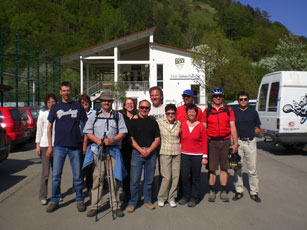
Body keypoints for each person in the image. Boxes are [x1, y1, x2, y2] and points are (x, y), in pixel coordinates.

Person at [83, 90, 128, 218]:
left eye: (109, 100)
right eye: (104, 100)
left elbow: (123, 132)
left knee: (114, 179)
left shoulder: (117, 116)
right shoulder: (94, 115)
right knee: (98, 178)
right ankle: (95, 205)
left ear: (112, 102)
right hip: (98, 151)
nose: (106, 102)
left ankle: (116, 205)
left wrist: (112, 140)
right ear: (101, 102)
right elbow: (87, 131)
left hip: (113, 151)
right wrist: (98, 140)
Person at [46, 81, 87, 213]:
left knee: (78, 176)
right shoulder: (55, 107)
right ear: (60, 92)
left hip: (75, 146)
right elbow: (49, 126)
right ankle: (54, 200)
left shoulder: (78, 106)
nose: (66, 93)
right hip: (59, 147)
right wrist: (49, 146)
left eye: (68, 90)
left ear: (71, 91)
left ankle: (80, 200)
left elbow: (86, 126)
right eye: (63, 91)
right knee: (56, 175)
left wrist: (85, 143)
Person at [202, 88, 238, 202]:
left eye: (220, 96)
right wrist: (203, 146)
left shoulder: (228, 110)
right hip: (211, 142)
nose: (218, 98)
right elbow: (203, 129)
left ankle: (223, 191)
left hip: (225, 142)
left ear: (222, 97)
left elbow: (233, 127)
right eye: (215, 96)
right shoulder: (207, 111)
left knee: (224, 168)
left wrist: (235, 143)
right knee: (212, 169)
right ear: (212, 97)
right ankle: (212, 191)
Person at [126, 100, 161, 213]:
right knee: (135, 180)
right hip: (137, 153)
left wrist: (149, 150)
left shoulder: (153, 122)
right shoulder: (133, 122)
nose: (144, 109)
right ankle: (132, 202)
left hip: (150, 153)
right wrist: (141, 150)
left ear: (149, 109)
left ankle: (147, 201)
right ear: (139, 108)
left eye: (146, 108)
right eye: (142, 107)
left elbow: (157, 139)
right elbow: (131, 139)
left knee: (148, 180)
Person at [233, 91, 262, 203]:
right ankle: (239, 191)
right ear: (238, 101)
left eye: (245, 99)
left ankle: (254, 192)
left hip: (250, 143)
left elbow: (258, 127)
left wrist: (251, 134)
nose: (243, 101)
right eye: (241, 99)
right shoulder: (234, 112)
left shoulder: (253, 113)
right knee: (237, 168)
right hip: (238, 142)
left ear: (248, 100)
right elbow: (232, 127)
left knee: (252, 169)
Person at [178, 104, 208, 207]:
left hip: (197, 155)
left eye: (193, 112)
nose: (191, 114)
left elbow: (204, 142)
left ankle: (194, 197)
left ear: (196, 113)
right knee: (185, 177)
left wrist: (205, 157)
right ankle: (185, 196)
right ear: (186, 113)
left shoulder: (200, 126)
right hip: (184, 154)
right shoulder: (182, 124)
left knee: (195, 177)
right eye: (189, 112)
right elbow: (180, 139)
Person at [157, 104, 181, 208]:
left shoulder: (179, 123)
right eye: (168, 113)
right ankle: (161, 197)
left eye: (172, 113)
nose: (170, 115)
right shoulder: (159, 122)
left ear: (175, 114)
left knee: (175, 176)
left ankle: (172, 197)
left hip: (176, 152)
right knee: (166, 177)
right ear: (165, 113)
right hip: (165, 152)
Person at [35, 93, 57, 205]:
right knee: (45, 173)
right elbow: (39, 131)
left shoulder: (59, 114)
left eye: (53, 102)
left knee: (56, 173)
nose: (51, 104)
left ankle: (56, 195)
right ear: (46, 104)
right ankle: (43, 195)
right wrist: (37, 145)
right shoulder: (43, 114)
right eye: (49, 102)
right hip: (44, 146)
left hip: (57, 146)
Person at [148, 86, 165, 201]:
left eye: (156, 95)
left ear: (161, 96)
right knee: (152, 170)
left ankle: (163, 193)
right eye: (152, 95)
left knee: (164, 170)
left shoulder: (166, 109)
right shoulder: (147, 110)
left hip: (165, 144)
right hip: (152, 144)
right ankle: (153, 193)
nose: (154, 97)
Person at [121, 98, 139, 203]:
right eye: (127, 103)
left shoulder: (138, 118)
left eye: (131, 103)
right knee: (126, 172)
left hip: (136, 148)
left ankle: (134, 194)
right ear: (124, 106)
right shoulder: (121, 118)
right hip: (125, 148)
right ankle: (126, 193)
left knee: (135, 174)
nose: (130, 105)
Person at [78, 94, 95, 195]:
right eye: (82, 102)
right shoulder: (77, 113)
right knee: (78, 165)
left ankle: (89, 187)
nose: (84, 104)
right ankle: (78, 187)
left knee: (89, 165)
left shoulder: (94, 113)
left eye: (86, 102)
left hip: (90, 141)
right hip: (78, 141)